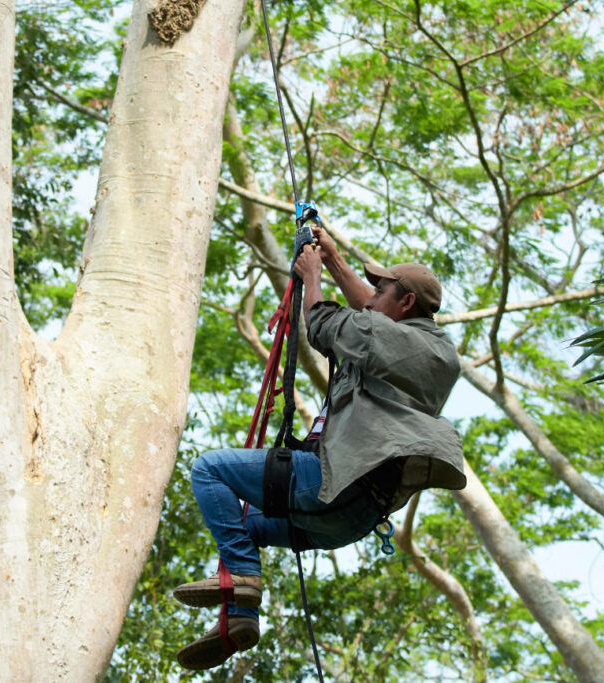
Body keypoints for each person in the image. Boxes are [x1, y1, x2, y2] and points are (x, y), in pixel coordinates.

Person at [173, 227, 467, 670]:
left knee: (210, 470)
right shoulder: (407, 344)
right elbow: (368, 309)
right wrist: (332, 259)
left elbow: (329, 324)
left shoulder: (417, 346)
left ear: (406, 302)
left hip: (338, 483)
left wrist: (312, 277)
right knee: (244, 524)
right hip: (348, 518)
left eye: (381, 289)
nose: (369, 296)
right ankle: (241, 619)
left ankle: (245, 578)